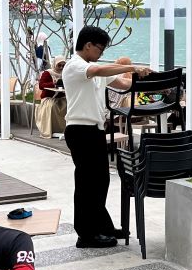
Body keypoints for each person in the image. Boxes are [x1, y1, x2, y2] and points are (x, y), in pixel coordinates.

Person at [63, 25, 151, 249]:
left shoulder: (95, 70)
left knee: (101, 180)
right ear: (88, 45)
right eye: (100, 48)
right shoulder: (75, 66)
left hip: (95, 130)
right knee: (86, 183)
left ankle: (103, 227)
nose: (101, 53)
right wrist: (131, 66)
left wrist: (149, 82)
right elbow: (98, 70)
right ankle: (86, 234)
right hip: (79, 130)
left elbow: (123, 84)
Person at [34, 55, 68, 139]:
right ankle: (52, 130)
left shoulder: (65, 73)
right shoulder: (48, 73)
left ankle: (65, 130)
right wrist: (54, 84)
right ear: (55, 64)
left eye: (63, 65)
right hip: (49, 98)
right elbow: (41, 85)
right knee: (53, 106)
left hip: (61, 97)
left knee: (69, 105)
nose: (61, 67)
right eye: (59, 65)